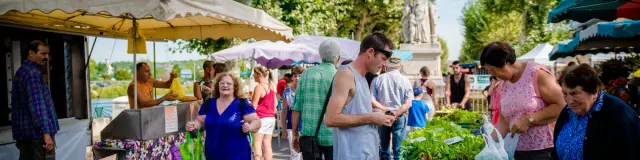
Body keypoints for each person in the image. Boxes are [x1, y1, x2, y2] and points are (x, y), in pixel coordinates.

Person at [480, 41, 566, 160]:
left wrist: (530, 119)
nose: (493, 75)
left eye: (492, 70)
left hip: (543, 151)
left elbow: (562, 105)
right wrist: (487, 143)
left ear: (505, 63)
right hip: (516, 151)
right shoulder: (504, 84)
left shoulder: (536, 73)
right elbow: (504, 123)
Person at [325, 33, 397, 160]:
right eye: (383, 58)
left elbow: (353, 110)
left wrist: (376, 113)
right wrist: (371, 117)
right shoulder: (346, 74)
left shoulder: (363, 77)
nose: (385, 64)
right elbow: (331, 119)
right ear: (370, 52)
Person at [552, 64, 640, 160]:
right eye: (565, 93)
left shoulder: (619, 114)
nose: (569, 101)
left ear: (594, 91)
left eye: (575, 93)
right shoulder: (568, 111)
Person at [185, 72, 262, 160]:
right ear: (218, 86)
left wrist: (250, 126)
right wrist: (193, 125)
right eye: (222, 83)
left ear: (235, 86)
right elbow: (200, 121)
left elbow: (257, 122)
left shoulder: (242, 104)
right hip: (213, 155)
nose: (225, 85)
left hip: (237, 155)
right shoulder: (209, 103)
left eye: (229, 83)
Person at [291, 40, 341, 160]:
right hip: (333, 136)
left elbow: (297, 107)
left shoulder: (306, 74)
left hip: (309, 136)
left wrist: (294, 134)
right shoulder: (340, 76)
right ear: (338, 58)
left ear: (320, 56)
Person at [12, 40, 58, 160]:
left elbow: (18, 108)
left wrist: (19, 137)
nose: (46, 57)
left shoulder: (21, 71)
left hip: (26, 136)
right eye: (43, 54)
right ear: (31, 54)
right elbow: (38, 106)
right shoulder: (33, 74)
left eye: (47, 54)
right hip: (39, 138)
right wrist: (46, 134)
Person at [371, 54, 414, 160]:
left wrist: (385, 109)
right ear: (400, 65)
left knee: (384, 149)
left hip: (383, 115)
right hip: (399, 116)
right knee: (398, 150)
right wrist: (397, 112)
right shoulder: (405, 80)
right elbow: (408, 103)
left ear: (387, 64)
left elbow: (371, 99)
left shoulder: (378, 79)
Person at [250, 66, 276, 160]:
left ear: (259, 74)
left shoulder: (259, 87)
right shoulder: (271, 85)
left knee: (257, 144)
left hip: (261, 118)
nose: (253, 76)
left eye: (254, 74)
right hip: (271, 118)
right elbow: (275, 103)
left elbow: (254, 105)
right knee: (267, 145)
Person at [280, 66, 304, 160]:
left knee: (306, 153)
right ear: (292, 77)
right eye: (295, 76)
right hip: (291, 126)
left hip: (305, 126)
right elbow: (284, 111)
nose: (297, 78)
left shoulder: (305, 90)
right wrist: (283, 129)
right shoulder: (287, 92)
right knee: (294, 153)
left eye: (299, 75)